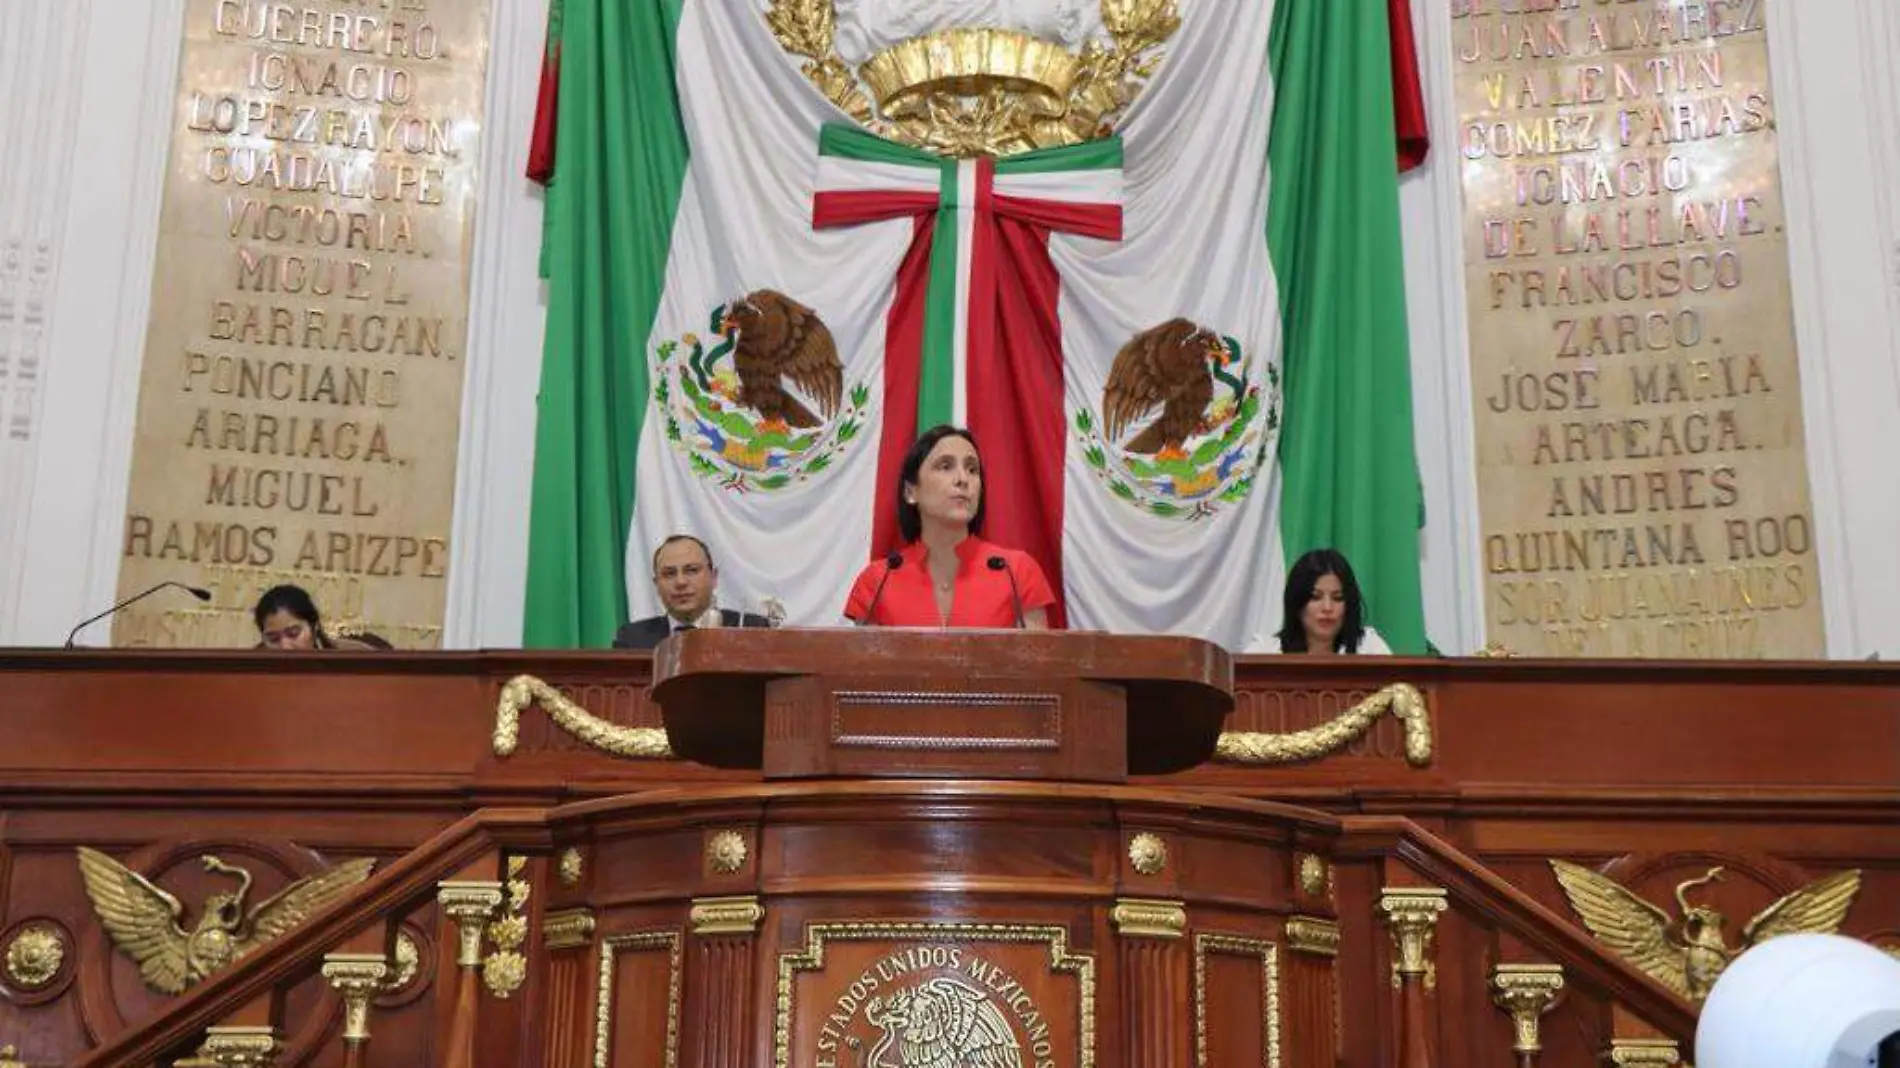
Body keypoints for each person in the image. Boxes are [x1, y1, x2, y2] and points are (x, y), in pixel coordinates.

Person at [843, 425, 1056, 629]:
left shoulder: (1015, 572)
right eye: (945, 466)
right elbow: (866, 665)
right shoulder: (879, 579)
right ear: (910, 492)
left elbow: (1035, 663)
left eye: (972, 469)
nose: (963, 479)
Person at [614, 534, 770, 650]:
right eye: (669, 574)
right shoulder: (632, 639)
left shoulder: (751, 629)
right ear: (656, 585)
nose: (680, 582)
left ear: (713, 577)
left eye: (692, 571)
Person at [1272, 549, 1391, 655]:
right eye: (1315, 597)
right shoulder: (1268, 650)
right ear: (1297, 602)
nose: (1327, 608)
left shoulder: (1369, 648)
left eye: (1338, 598)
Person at [253, 585, 377, 650]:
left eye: (293, 634)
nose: (285, 646)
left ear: (314, 627)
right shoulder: (249, 672)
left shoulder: (354, 660)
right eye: (273, 639)